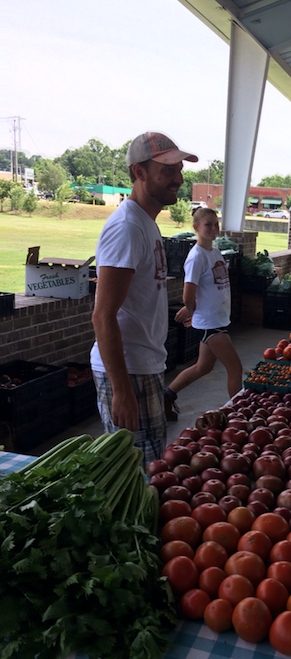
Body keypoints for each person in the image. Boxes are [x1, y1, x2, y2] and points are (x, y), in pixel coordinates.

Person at [90, 131, 198, 464]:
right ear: (139, 172)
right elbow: (103, 315)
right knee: (138, 475)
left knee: (149, 467)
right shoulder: (127, 227)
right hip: (128, 370)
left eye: (179, 169)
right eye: (167, 170)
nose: (178, 178)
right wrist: (121, 391)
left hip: (144, 366)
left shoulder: (146, 223)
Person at [164, 207, 243, 418]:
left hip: (217, 319)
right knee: (235, 368)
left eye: (215, 224)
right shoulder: (196, 256)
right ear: (196, 227)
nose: (213, 228)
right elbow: (188, 293)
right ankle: (238, 415)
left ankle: (167, 394)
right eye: (208, 224)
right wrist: (190, 310)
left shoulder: (215, 252)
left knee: (203, 367)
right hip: (210, 323)